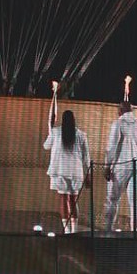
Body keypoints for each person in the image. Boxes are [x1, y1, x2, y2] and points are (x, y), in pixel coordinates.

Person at [43, 81, 92, 234]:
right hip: (76, 173)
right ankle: (74, 230)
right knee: (73, 199)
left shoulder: (56, 133)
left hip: (60, 171)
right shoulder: (81, 135)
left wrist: (54, 94)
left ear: (63, 121)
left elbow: (47, 143)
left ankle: (66, 230)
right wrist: (89, 175)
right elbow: (86, 157)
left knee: (63, 199)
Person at [103, 75, 137, 233]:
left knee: (112, 198)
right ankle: (134, 230)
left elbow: (112, 147)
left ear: (120, 110)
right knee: (136, 200)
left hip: (122, 166)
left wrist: (107, 166)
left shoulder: (118, 124)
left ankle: (108, 228)